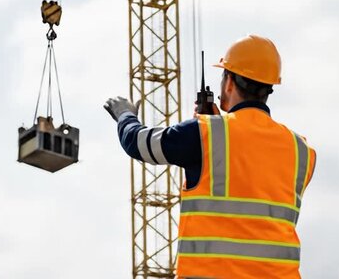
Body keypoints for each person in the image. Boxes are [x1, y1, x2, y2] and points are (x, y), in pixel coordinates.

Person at [104, 35, 316, 279]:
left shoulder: (205, 135)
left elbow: (139, 143)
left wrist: (125, 115)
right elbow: (250, 176)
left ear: (229, 83)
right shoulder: (301, 150)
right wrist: (214, 126)